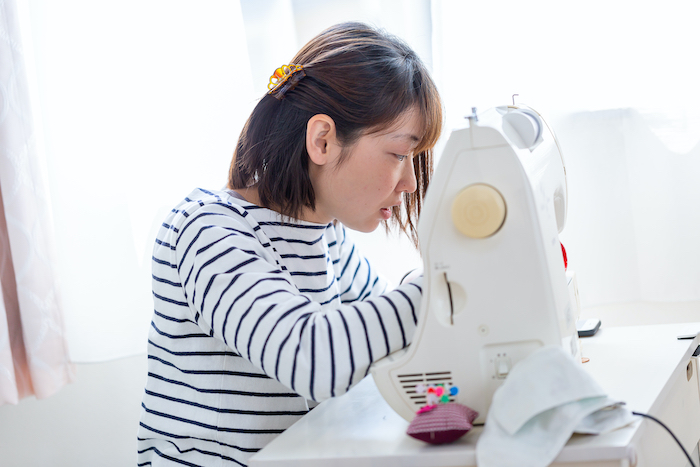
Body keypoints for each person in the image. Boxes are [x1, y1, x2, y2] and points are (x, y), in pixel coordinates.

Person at [137, 21, 442, 467]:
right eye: (399, 154)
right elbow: (310, 357)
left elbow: (388, 345)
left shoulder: (326, 236)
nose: (411, 183)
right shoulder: (206, 229)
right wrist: (443, 289)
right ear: (323, 140)